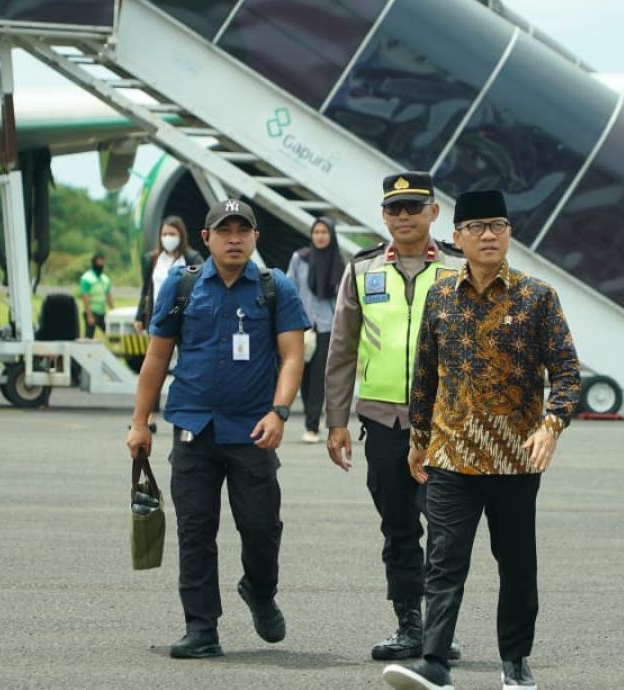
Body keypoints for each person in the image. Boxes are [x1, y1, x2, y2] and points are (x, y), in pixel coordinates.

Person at [382, 190, 581, 690]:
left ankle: (515, 660)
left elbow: (567, 373)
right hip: (451, 458)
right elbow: (425, 373)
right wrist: (418, 438)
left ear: (510, 233)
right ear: (458, 237)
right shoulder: (440, 295)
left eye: (497, 225)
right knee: (444, 561)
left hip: (514, 460)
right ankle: (434, 662)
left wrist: (551, 426)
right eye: (477, 227)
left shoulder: (538, 296)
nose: (488, 235)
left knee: (516, 566)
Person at [125, 198, 309, 659]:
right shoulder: (182, 285)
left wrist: (279, 412)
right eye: (224, 231)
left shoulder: (274, 287)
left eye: (242, 231)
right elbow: (157, 357)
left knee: (261, 528)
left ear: (254, 238)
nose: (234, 239)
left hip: (252, 431)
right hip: (193, 427)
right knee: (196, 531)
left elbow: (292, 357)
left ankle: (260, 591)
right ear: (205, 238)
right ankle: (201, 627)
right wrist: (139, 423)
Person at [324, 171, 467, 661]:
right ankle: (409, 625)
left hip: (445, 424)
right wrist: (337, 421)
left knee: (446, 531)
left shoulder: (458, 267)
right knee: (398, 528)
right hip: (383, 424)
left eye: (413, 207)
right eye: (394, 209)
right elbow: (342, 350)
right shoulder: (362, 270)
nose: (403, 217)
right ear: (383, 215)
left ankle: (439, 631)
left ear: (433, 211)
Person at [286, 216, 343, 444]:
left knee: (319, 377)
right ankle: (312, 416)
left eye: (324, 232)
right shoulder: (300, 259)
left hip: (327, 327)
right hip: (303, 326)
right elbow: (290, 287)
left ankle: (312, 425)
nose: (320, 236)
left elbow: (342, 298)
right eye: (316, 232)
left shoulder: (339, 263)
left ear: (331, 236)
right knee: (303, 375)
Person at [135, 215, 204, 333]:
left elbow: (202, 288)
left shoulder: (192, 258)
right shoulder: (152, 259)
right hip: (157, 319)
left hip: (184, 320)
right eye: (164, 234)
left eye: (172, 234)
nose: (167, 238)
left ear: (181, 236)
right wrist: (139, 316)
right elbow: (146, 290)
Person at [79, 253, 113, 338]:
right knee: (89, 337)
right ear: (94, 263)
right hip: (92, 311)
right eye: (99, 262)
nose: (101, 264)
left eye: (102, 262)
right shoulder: (86, 278)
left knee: (111, 334)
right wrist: (89, 315)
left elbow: (108, 295)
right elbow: (85, 297)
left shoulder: (105, 279)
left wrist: (113, 311)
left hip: (102, 311)